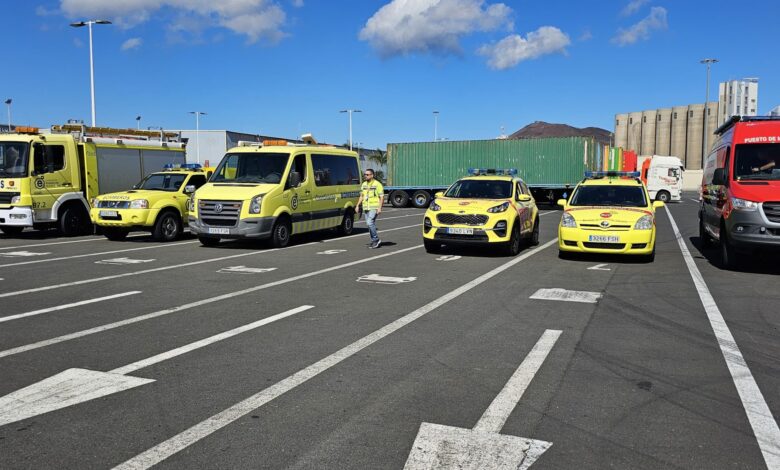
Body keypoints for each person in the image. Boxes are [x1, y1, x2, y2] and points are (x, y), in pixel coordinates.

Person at [356, 168, 384, 248]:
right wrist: (357, 205)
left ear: (372, 175)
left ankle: (376, 239)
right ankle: (374, 241)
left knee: (370, 222)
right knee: (369, 224)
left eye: (367, 174)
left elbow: (381, 197)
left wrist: (379, 208)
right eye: (365, 174)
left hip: (374, 207)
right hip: (366, 207)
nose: (365, 176)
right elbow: (362, 196)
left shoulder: (377, 184)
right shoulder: (364, 184)